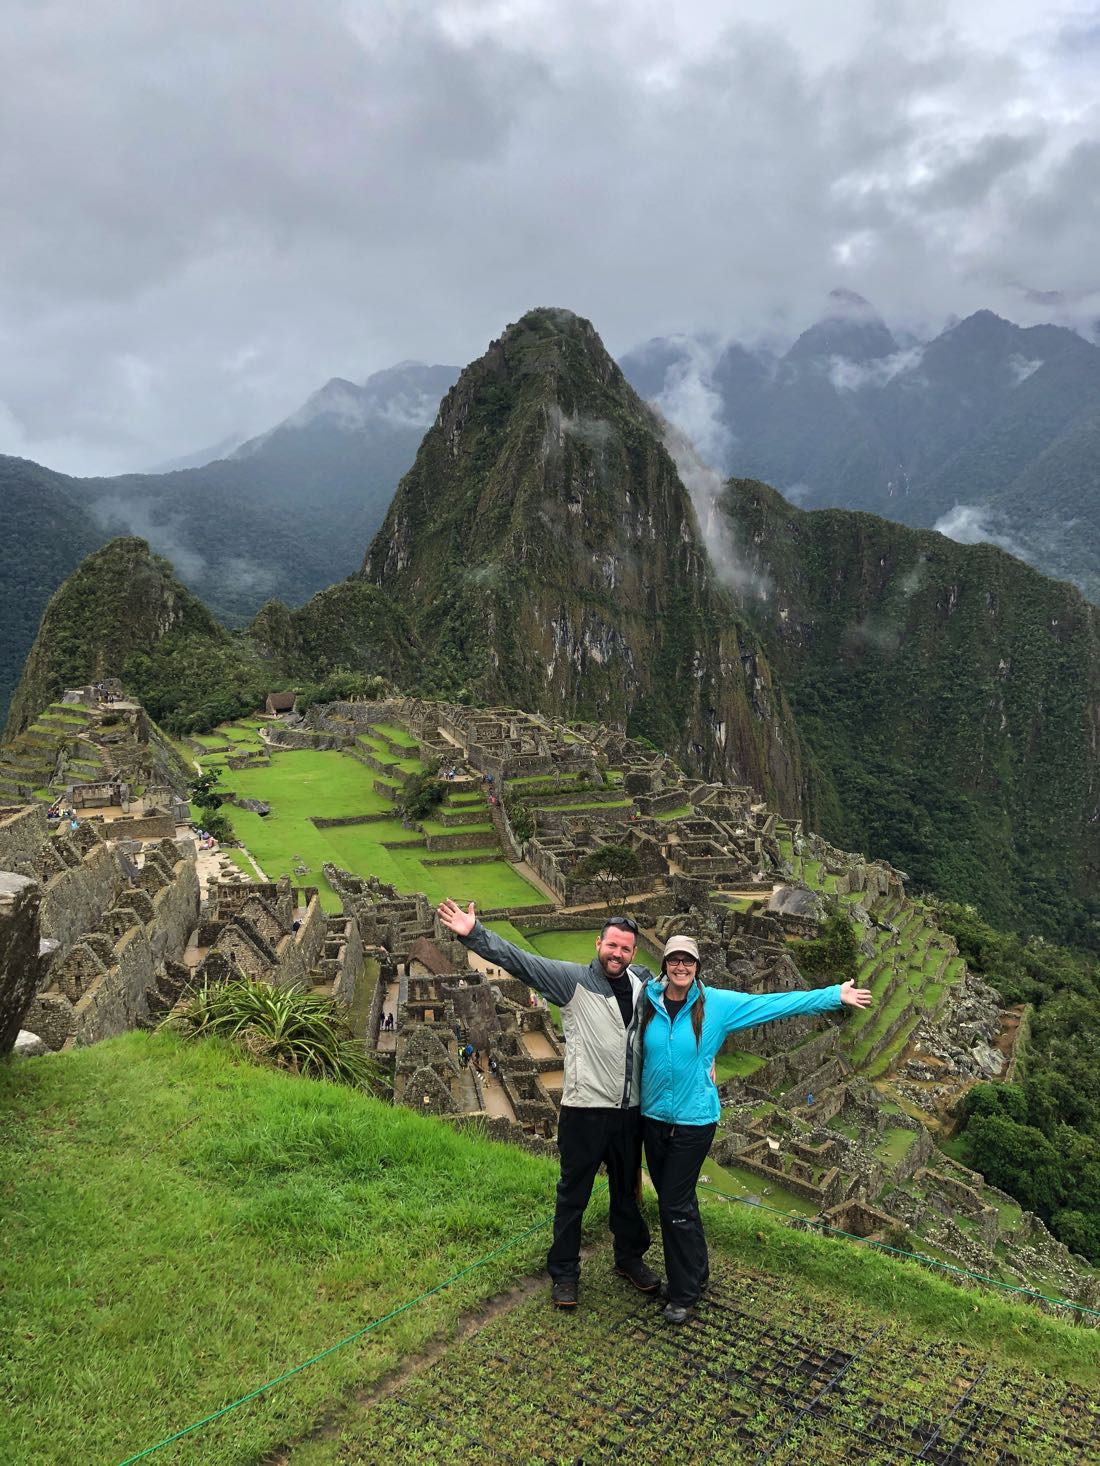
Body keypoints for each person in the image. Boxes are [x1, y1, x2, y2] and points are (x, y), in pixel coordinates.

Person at [436, 898, 658, 1310]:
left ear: (633, 953)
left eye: (626, 948)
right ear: (598, 944)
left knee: (627, 1193)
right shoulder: (571, 981)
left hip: (630, 1112)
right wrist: (475, 934)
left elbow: (685, 995)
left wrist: (708, 1051)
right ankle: (565, 1273)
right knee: (573, 1194)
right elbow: (521, 962)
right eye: (612, 945)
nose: (618, 954)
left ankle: (629, 1259)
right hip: (585, 1109)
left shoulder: (645, 984)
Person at [639, 935, 873, 1324]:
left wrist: (832, 995)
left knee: (672, 1205)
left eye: (688, 961)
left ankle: (682, 1293)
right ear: (664, 963)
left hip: (694, 1121)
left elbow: (772, 1005)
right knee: (678, 1201)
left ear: (697, 966)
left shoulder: (716, 1005)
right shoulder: (648, 1000)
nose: (681, 967)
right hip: (654, 1119)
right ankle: (696, 1274)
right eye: (674, 960)